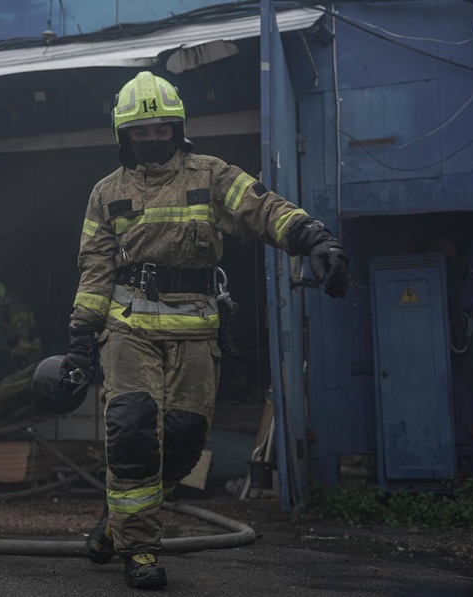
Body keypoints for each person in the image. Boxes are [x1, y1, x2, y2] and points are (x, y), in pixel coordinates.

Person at [59, 71, 349, 589]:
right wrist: (82, 339)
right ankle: (141, 550)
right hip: (128, 330)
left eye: (161, 129)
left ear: (177, 128)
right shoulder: (106, 194)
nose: (152, 139)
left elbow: (265, 210)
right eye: (141, 131)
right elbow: (95, 267)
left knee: (184, 438)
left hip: (196, 328)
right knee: (131, 430)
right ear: (123, 134)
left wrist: (315, 239)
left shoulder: (211, 174)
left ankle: (119, 522)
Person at [0, 281, 45, 374]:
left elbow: (25, 337)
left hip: (30, 357)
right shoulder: (9, 309)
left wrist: (17, 360)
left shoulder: (16, 310)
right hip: (23, 355)